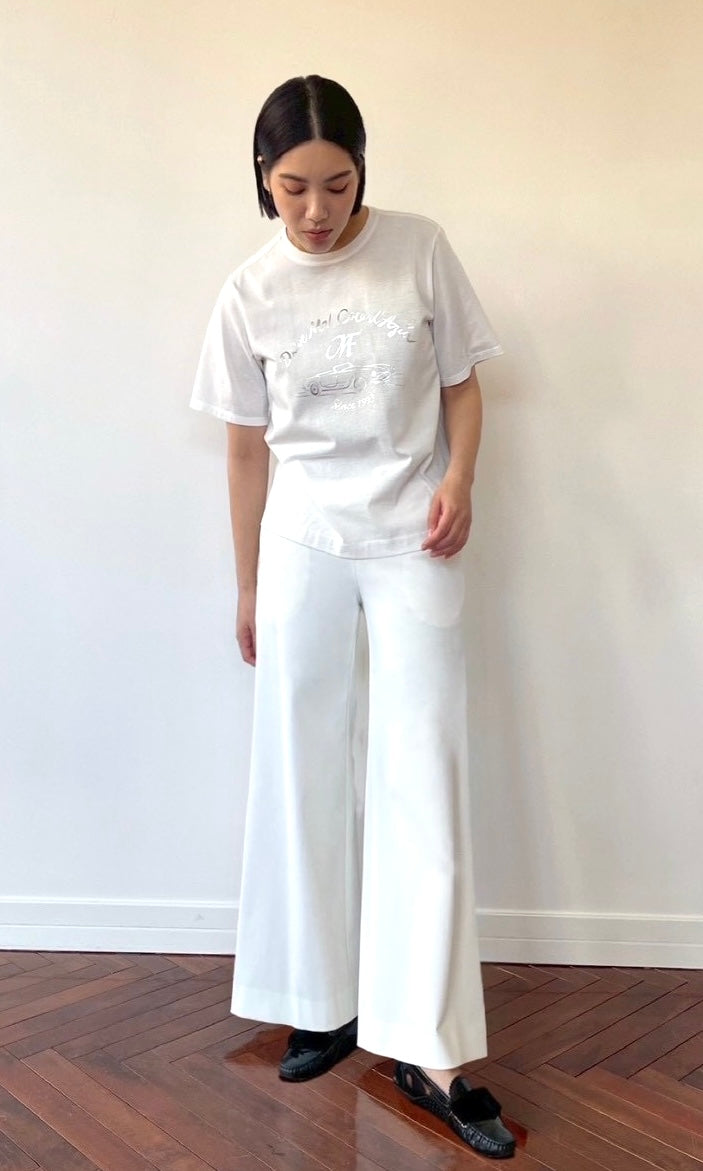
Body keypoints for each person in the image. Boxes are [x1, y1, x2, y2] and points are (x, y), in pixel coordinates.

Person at [191, 75, 516, 1159]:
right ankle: (317, 1000)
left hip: (412, 533)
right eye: (294, 187)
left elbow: (462, 383)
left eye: (337, 184)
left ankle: (431, 1049)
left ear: (362, 169)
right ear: (263, 178)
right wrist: (247, 582)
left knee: (424, 770)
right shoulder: (248, 290)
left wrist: (460, 479)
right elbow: (245, 448)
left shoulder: (419, 248)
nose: (318, 209)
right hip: (301, 541)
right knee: (301, 765)